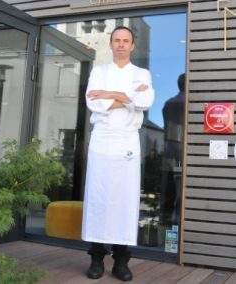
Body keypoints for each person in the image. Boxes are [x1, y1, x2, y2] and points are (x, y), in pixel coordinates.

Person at [81, 26, 155, 282]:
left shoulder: (141, 73)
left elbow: (145, 102)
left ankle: (121, 261)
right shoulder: (99, 71)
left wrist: (111, 94)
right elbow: (93, 103)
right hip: (102, 141)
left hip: (127, 142)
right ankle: (96, 258)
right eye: (117, 41)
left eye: (126, 41)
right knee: (98, 198)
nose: (121, 45)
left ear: (132, 46)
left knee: (124, 200)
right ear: (111, 44)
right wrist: (127, 99)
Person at [160, 73, 185, 225]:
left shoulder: (168, 103)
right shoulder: (188, 103)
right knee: (183, 192)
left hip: (169, 152)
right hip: (184, 153)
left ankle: (166, 223)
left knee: (169, 190)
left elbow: (166, 129)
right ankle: (178, 224)